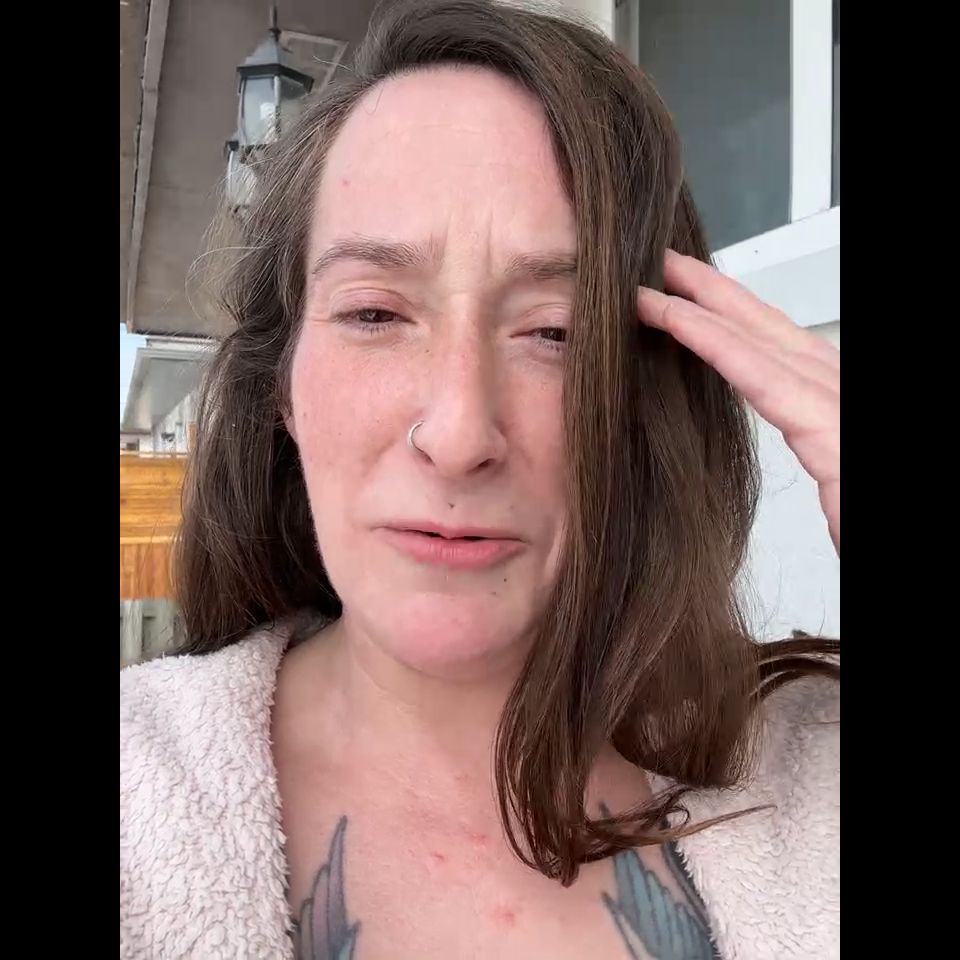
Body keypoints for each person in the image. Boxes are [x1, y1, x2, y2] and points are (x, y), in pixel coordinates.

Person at [120, 1, 840, 957]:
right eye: (375, 315)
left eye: (556, 331)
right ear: (280, 386)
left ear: (644, 396)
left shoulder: (813, 775)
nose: (459, 435)